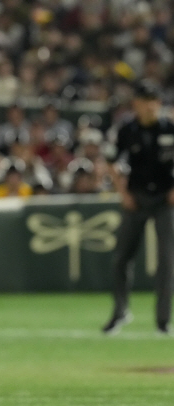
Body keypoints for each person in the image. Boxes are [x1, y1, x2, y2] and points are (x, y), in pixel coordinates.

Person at [102, 80, 174, 335]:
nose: (152, 106)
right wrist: (122, 193)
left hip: (166, 199)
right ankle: (120, 312)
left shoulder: (170, 127)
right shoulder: (127, 130)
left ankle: (163, 321)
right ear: (137, 104)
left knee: (167, 260)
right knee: (122, 257)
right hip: (136, 197)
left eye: (156, 101)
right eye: (147, 101)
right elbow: (110, 160)